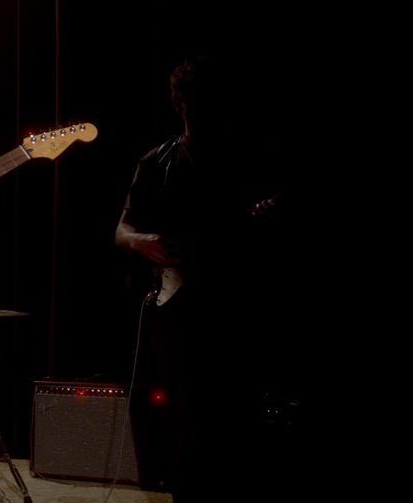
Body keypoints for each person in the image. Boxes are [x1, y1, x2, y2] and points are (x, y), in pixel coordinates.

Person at [114, 55, 293, 501]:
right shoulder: (157, 162)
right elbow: (121, 230)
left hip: (235, 306)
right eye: (192, 98)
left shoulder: (250, 156)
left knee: (234, 422)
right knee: (180, 426)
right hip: (174, 310)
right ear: (179, 102)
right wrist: (143, 243)